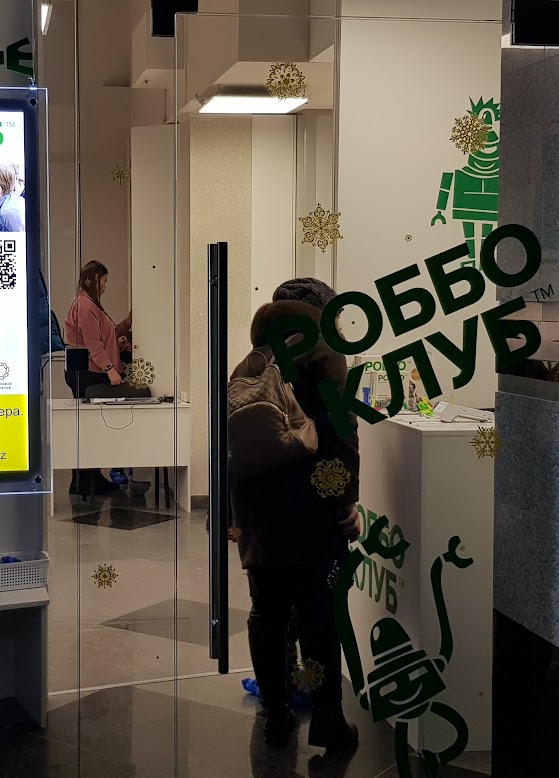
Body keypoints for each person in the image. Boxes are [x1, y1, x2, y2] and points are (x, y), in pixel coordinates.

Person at [230, 278, 363, 750]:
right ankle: (327, 718)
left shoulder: (252, 360)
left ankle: (275, 712)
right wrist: (345, 501)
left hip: (255, 506)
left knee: (267, 611)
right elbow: (338, 429)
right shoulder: (323, 354)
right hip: (308, 504)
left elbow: (233, 440)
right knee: (318, 615)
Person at [61, 260, 137, 494]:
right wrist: (110, 369)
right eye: (104, 281)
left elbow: (105, 336)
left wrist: (125, 326)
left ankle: (88, 479)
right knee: (89, 427)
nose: (105, 286)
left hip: (89, 370)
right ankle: (86, 481)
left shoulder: (89, 305)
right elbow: (93, 344)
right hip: (87, 373)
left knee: (89, 427)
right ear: (95, 280)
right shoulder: (85, 306)